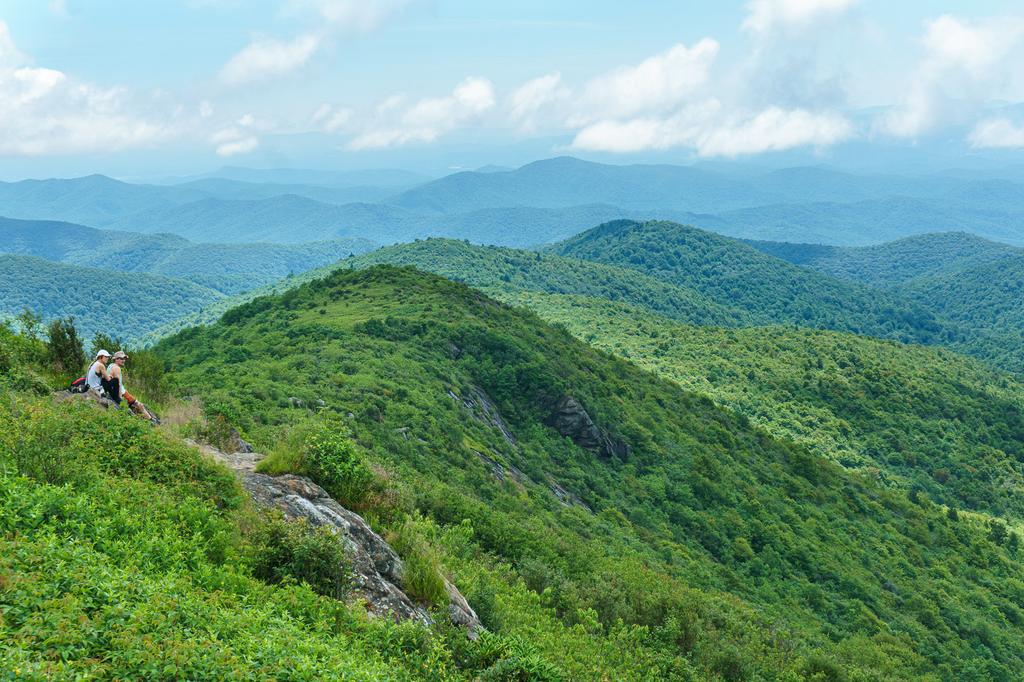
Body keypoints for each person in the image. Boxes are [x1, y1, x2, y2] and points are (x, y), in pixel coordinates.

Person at [106, 350, 159, 424]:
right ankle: (152, 421)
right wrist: (119, 397)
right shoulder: (117, 368)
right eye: (121, 359)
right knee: (139, 405)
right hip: (121, 392)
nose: (123, 360)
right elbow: (118, 384)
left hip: (114, 390)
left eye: (124, 359)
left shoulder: (110, 366)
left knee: (134, 405)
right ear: (116, 359)